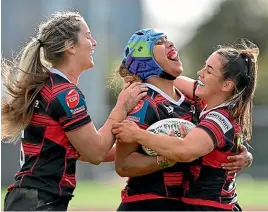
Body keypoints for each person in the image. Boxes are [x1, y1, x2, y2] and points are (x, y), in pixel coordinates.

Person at [1, 11, 147, 211]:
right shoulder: (65, 93)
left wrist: (147, 143)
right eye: (87, 36)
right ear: (70, 46)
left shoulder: (50, 85)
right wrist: (122, 107)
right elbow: (95, 152)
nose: (94, 42)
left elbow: (91, 152)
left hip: (29, 200)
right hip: (39, 203)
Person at [112, 29, 253, 211]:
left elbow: (193, 148)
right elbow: (123, 164)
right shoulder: (142, 102)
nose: (170, 43)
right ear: (146, 60)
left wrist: (244, 155)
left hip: (188, 205)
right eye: (159, 42)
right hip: (147, 204)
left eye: (167, 39)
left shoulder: (196, 101)